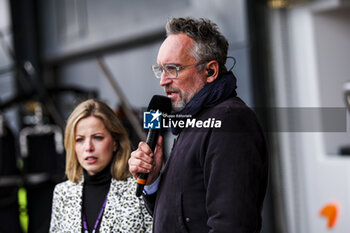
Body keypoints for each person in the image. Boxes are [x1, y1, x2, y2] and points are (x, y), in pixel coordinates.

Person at [128, 17, 268, 233]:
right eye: (160, 70)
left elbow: (231, 226)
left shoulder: (229, 121)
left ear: (210, 71)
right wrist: (153, 181)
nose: (163, 81)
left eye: (173, 69)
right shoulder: (194, 122)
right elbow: (177, 219)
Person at [50, 99, 152, 233]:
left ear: (115, 142)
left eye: (97, 137)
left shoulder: (140, 191)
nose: (88, 147)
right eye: (79, 139)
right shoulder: (62, 193)